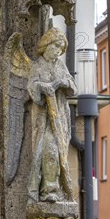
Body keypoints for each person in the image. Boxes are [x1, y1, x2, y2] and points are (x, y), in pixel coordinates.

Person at [27, 28, 77, 202]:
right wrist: (42, 86)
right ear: (47, 45)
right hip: (43, 117)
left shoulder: (60, 65)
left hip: (60, 116)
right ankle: (48, 189)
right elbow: (31, 88)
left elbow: (73, 88)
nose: (58, 52)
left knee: (58, 150)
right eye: (56, 47)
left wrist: (64, 82)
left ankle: (57, 188)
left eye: (61, 49)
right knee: (48, 150)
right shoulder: (37, 66)